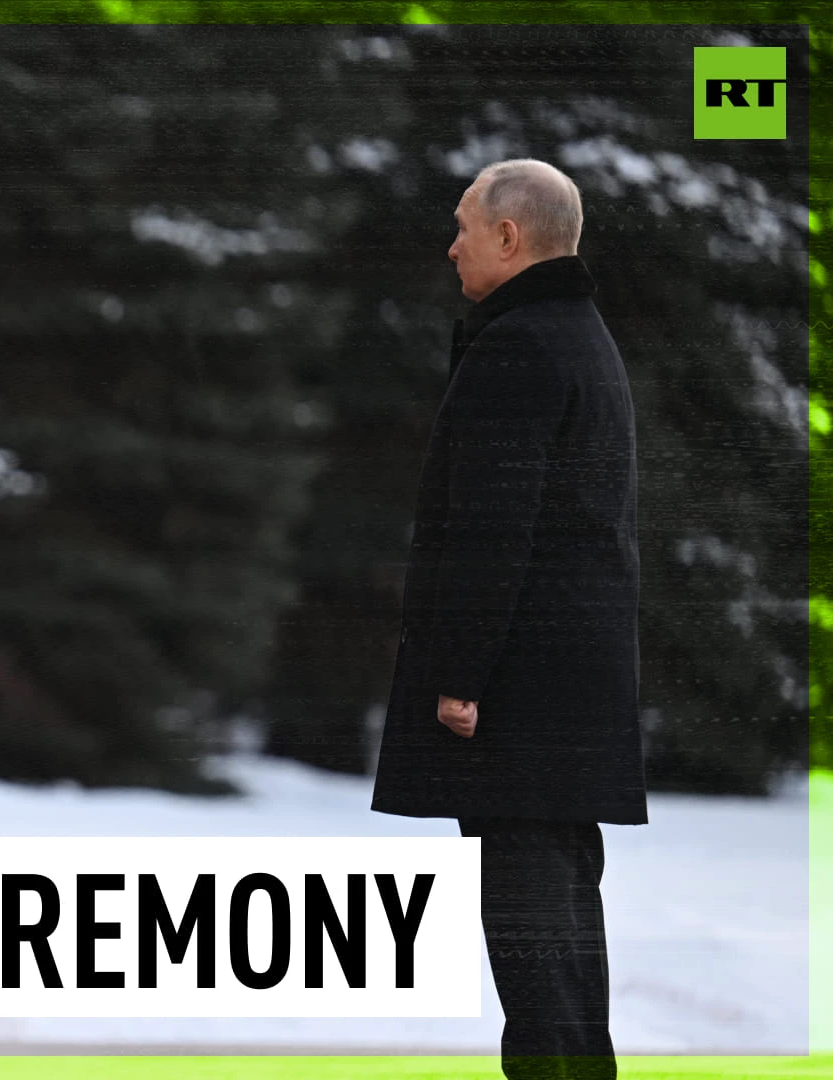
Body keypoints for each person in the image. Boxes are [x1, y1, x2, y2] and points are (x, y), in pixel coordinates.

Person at [371, 158, 646, 1080]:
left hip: (517, 695)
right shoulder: (583, 337)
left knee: (527, 935)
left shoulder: (519, 348)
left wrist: (460, 674)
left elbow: (495, 528)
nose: (450, 245)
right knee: (566, 927)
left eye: (461, 225)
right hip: (574, 683)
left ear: (509, 236)